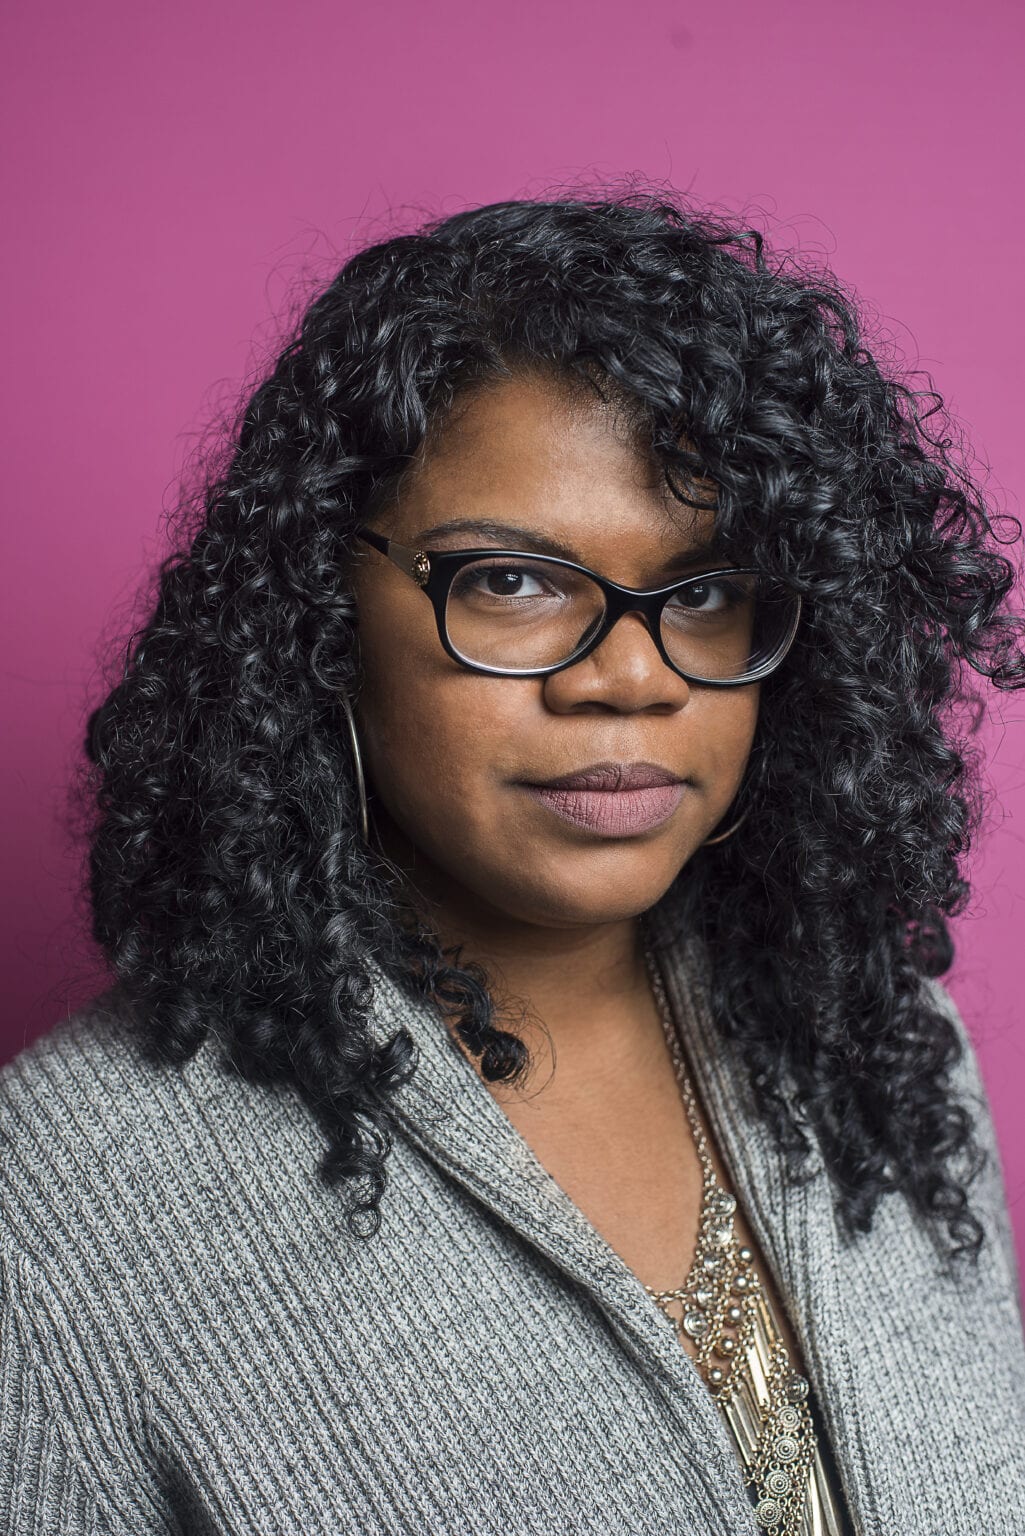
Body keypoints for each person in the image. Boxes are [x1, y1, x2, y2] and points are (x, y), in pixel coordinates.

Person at [2, 189, 1023, 1536]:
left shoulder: (882, 1049)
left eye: (703, 592)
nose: (631, 677)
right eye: (509, 581)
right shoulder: (67, 1202)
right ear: (320, 613)